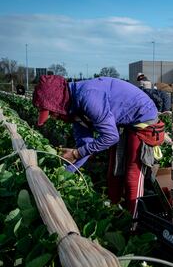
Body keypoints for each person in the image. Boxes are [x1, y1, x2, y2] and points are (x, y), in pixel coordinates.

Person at [32, 75, 165, 218]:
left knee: (132, 175)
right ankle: (114, 215)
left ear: (58, 103)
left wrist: (76, 153)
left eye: (51, 112)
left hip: (143, 118)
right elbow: (85, 147)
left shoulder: (88, 97)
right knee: (114, 172)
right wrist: (64, 173)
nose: (53, 117)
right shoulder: (74, 109)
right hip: (123, 122)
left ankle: (134, 223)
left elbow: (110, 137)